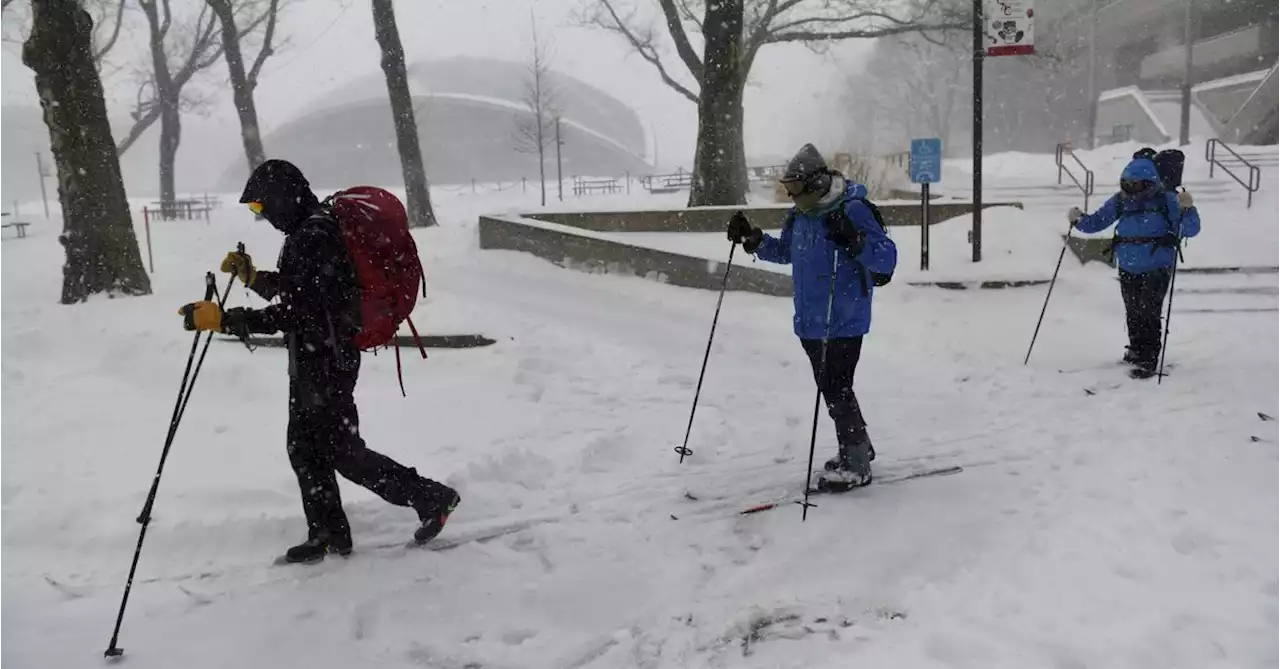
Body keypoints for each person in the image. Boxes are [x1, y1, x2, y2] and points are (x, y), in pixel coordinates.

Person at [177, 159, 459, 563]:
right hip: (315, 356)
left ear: (282, 198)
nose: (262, 217)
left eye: (261, 207)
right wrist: (253, 277)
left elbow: (300, 311)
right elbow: (300, 292)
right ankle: (327, 533)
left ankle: (431, 497)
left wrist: (226, 319)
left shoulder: (314, 234)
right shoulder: (308, 228)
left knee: (341, 450)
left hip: (327, 357)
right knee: (305, 448)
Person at [726, 144, 898, 490]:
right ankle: (857, 445)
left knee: (836, 386)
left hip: (845, 315)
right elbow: (787, 252)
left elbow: (886, 260)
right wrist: (754, 239)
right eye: (787, 189)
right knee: (832, 388)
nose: (790, 196)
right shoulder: (800, 214)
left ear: (816, 184)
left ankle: (857, 462)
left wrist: (854, 240)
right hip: (810, 318)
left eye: (794, 189)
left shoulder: (853, 209)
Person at [1068, 153, 1200, 377]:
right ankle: (1136, 351)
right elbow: (1097, 222)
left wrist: (1188, 209)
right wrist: (1079, 220)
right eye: (1128, 184)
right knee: (1133, 311)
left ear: (1151, 182)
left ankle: (1148, 357)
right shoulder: (1120, 200)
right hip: (1128, 265)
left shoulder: (1167, 199)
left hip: (1157, 265)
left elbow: (1190, 229)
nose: (1133, 189)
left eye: (1138, 184)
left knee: (1149, 310)